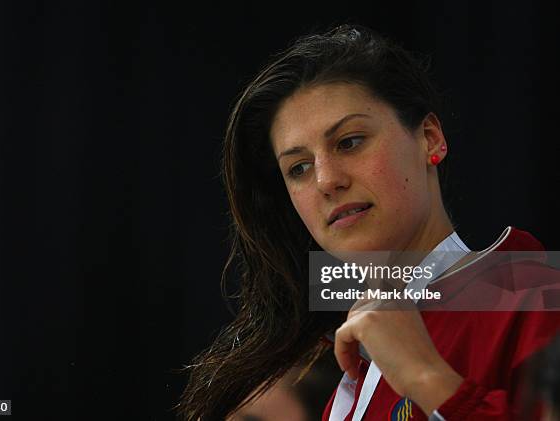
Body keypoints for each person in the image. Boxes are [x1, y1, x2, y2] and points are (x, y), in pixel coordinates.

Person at [178, 24, 560, 420]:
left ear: (429, 138)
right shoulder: (340, 370)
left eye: (349, 142)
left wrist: (425, 375)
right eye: (299, 168)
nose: (326, 180)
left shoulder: (537, 294)